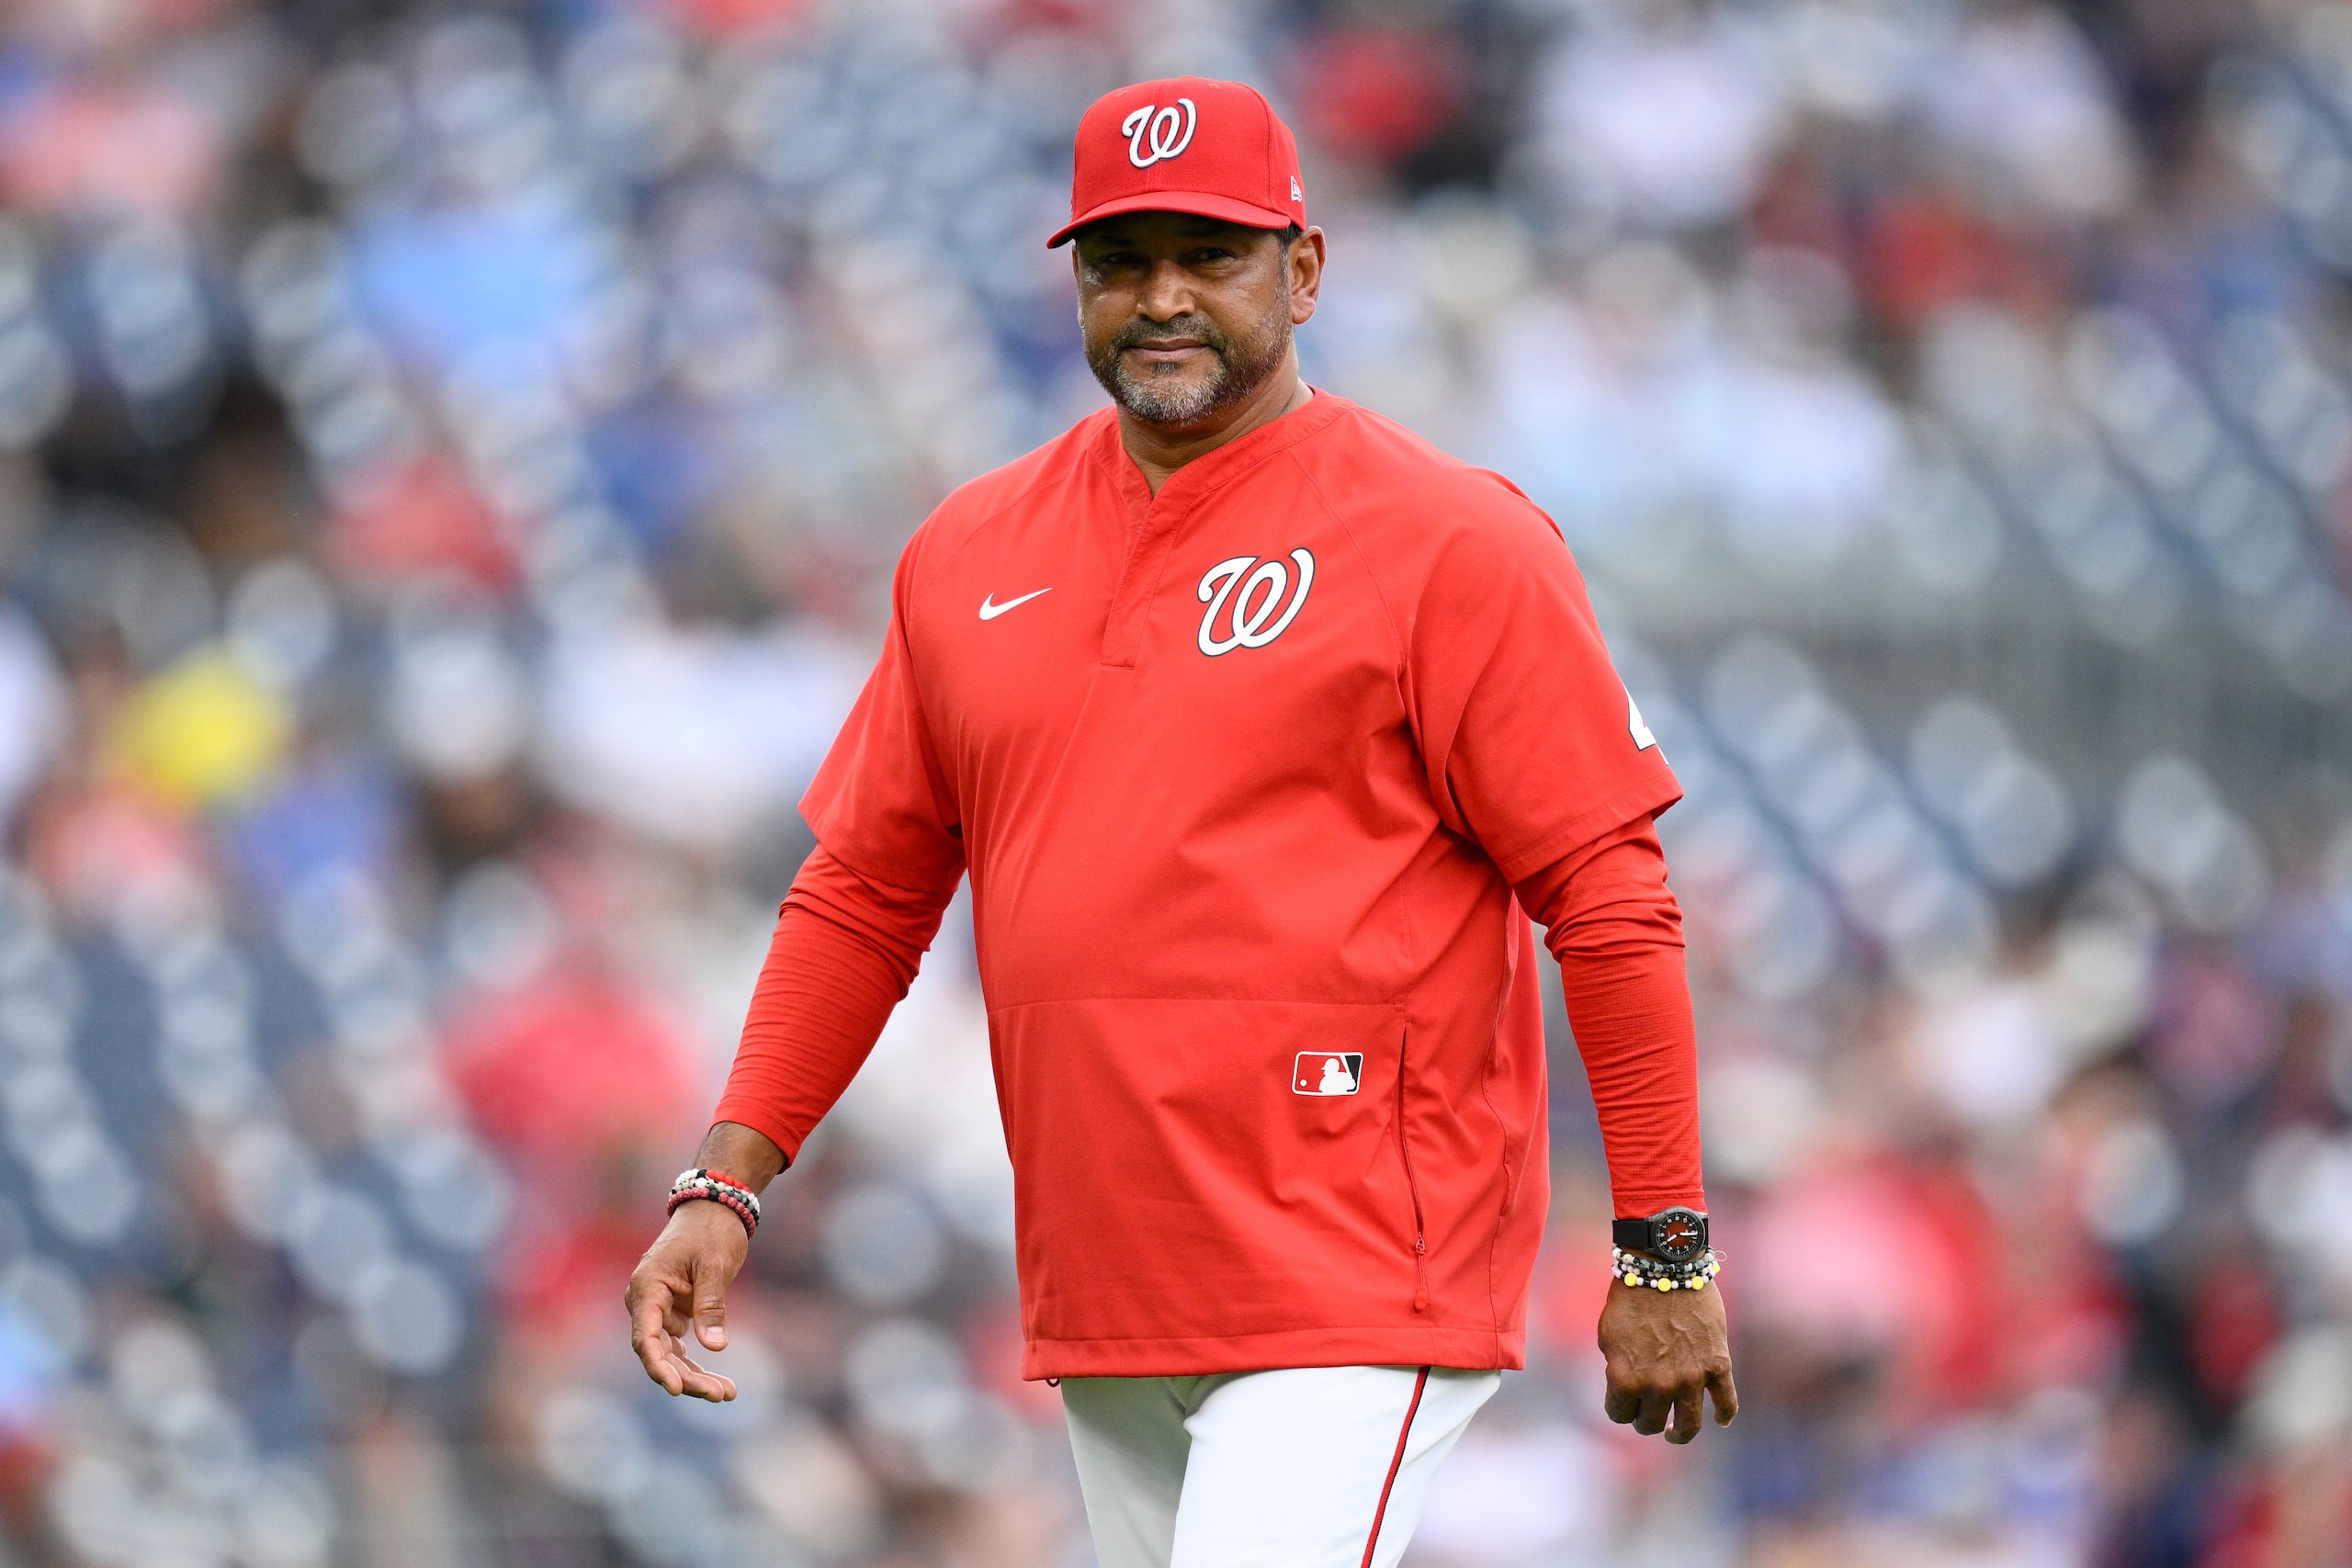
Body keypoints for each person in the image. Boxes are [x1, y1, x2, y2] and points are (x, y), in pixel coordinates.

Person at [627, 75, 1736, 1568]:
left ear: (1304, 269)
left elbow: (1610, 898)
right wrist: (727, 1180)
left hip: (1361, 1262)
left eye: (1209, 255)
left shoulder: (1451, 539)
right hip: (1108, 1275)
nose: (1160, 298)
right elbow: (863, 897)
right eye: (1119, 260)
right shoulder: (968, 550)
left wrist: (1663, 1244)